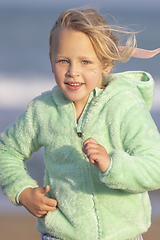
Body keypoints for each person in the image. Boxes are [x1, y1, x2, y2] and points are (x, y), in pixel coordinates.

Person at [0, 7, 160, 240]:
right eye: (64, 61)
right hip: (60, 235)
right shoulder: (43, 110)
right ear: (51, 60)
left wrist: (112, 165)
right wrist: (22, 191)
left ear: (106, 64)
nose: (73, 72)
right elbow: (7, 150)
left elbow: (155, 168)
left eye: (85, 62)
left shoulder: (125, 106)